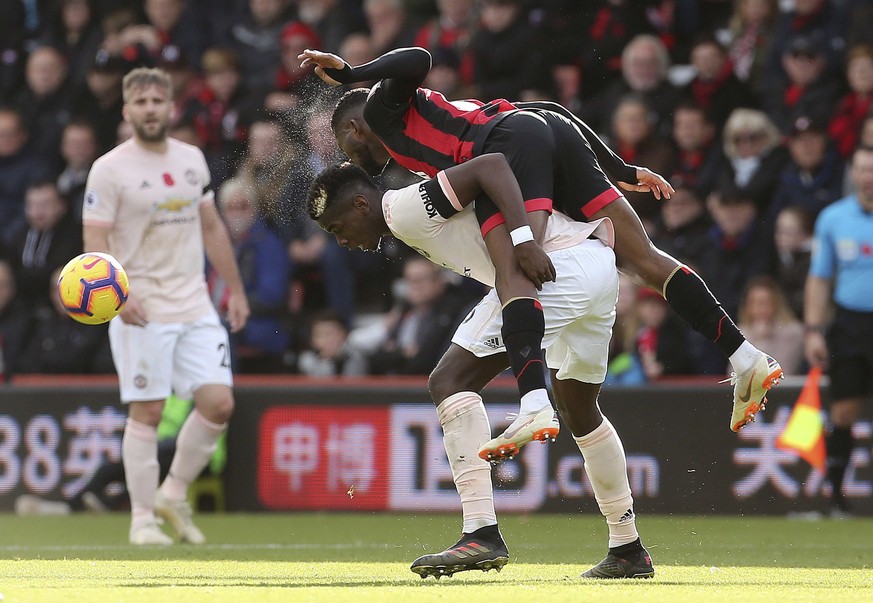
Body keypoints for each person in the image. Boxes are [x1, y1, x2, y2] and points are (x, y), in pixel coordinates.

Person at [301, 45, 782, 434]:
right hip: (544, 131)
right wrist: (621, 170)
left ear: (353, 126)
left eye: (348, 147)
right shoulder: (437, 114)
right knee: (647, 261)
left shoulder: (383, 114)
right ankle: (746, 357)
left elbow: (419, 58)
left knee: (513, 271)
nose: (357, 161)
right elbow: (550, 111)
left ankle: (533, 404)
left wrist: (351, 74)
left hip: (504, 151)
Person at [307, 152, 653, 579]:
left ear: (361, 205)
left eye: (337, 229)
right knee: (581, 410)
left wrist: (524, 241)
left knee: (449, 380)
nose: (342, 241)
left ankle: (480, 531)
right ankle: (627, 547)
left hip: (551, 270)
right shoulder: (406, 216)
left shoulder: (402, 208)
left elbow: (490, 166)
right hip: (595, 264)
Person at [82, 67, 250, 545]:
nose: (150, 109)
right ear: (126, 110)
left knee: (219, 404)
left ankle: (172, 492)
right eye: (141, 102)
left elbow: (212, 227)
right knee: (149, 413)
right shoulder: (109, 168)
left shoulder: (192, 159)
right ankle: (141, 521)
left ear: (171, 107)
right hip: (141, 305)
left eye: (158, 101)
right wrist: (120, 297)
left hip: (195, 300)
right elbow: (94, 240)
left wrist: (234, 291)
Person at [804, 144, 873, 517]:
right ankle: (836, 499)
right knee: (844, 411)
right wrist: (814, 329)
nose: (869, 178)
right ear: (853, 173)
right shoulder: (833, 218)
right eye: (863, 169)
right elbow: (819, 278)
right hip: (849, 323)